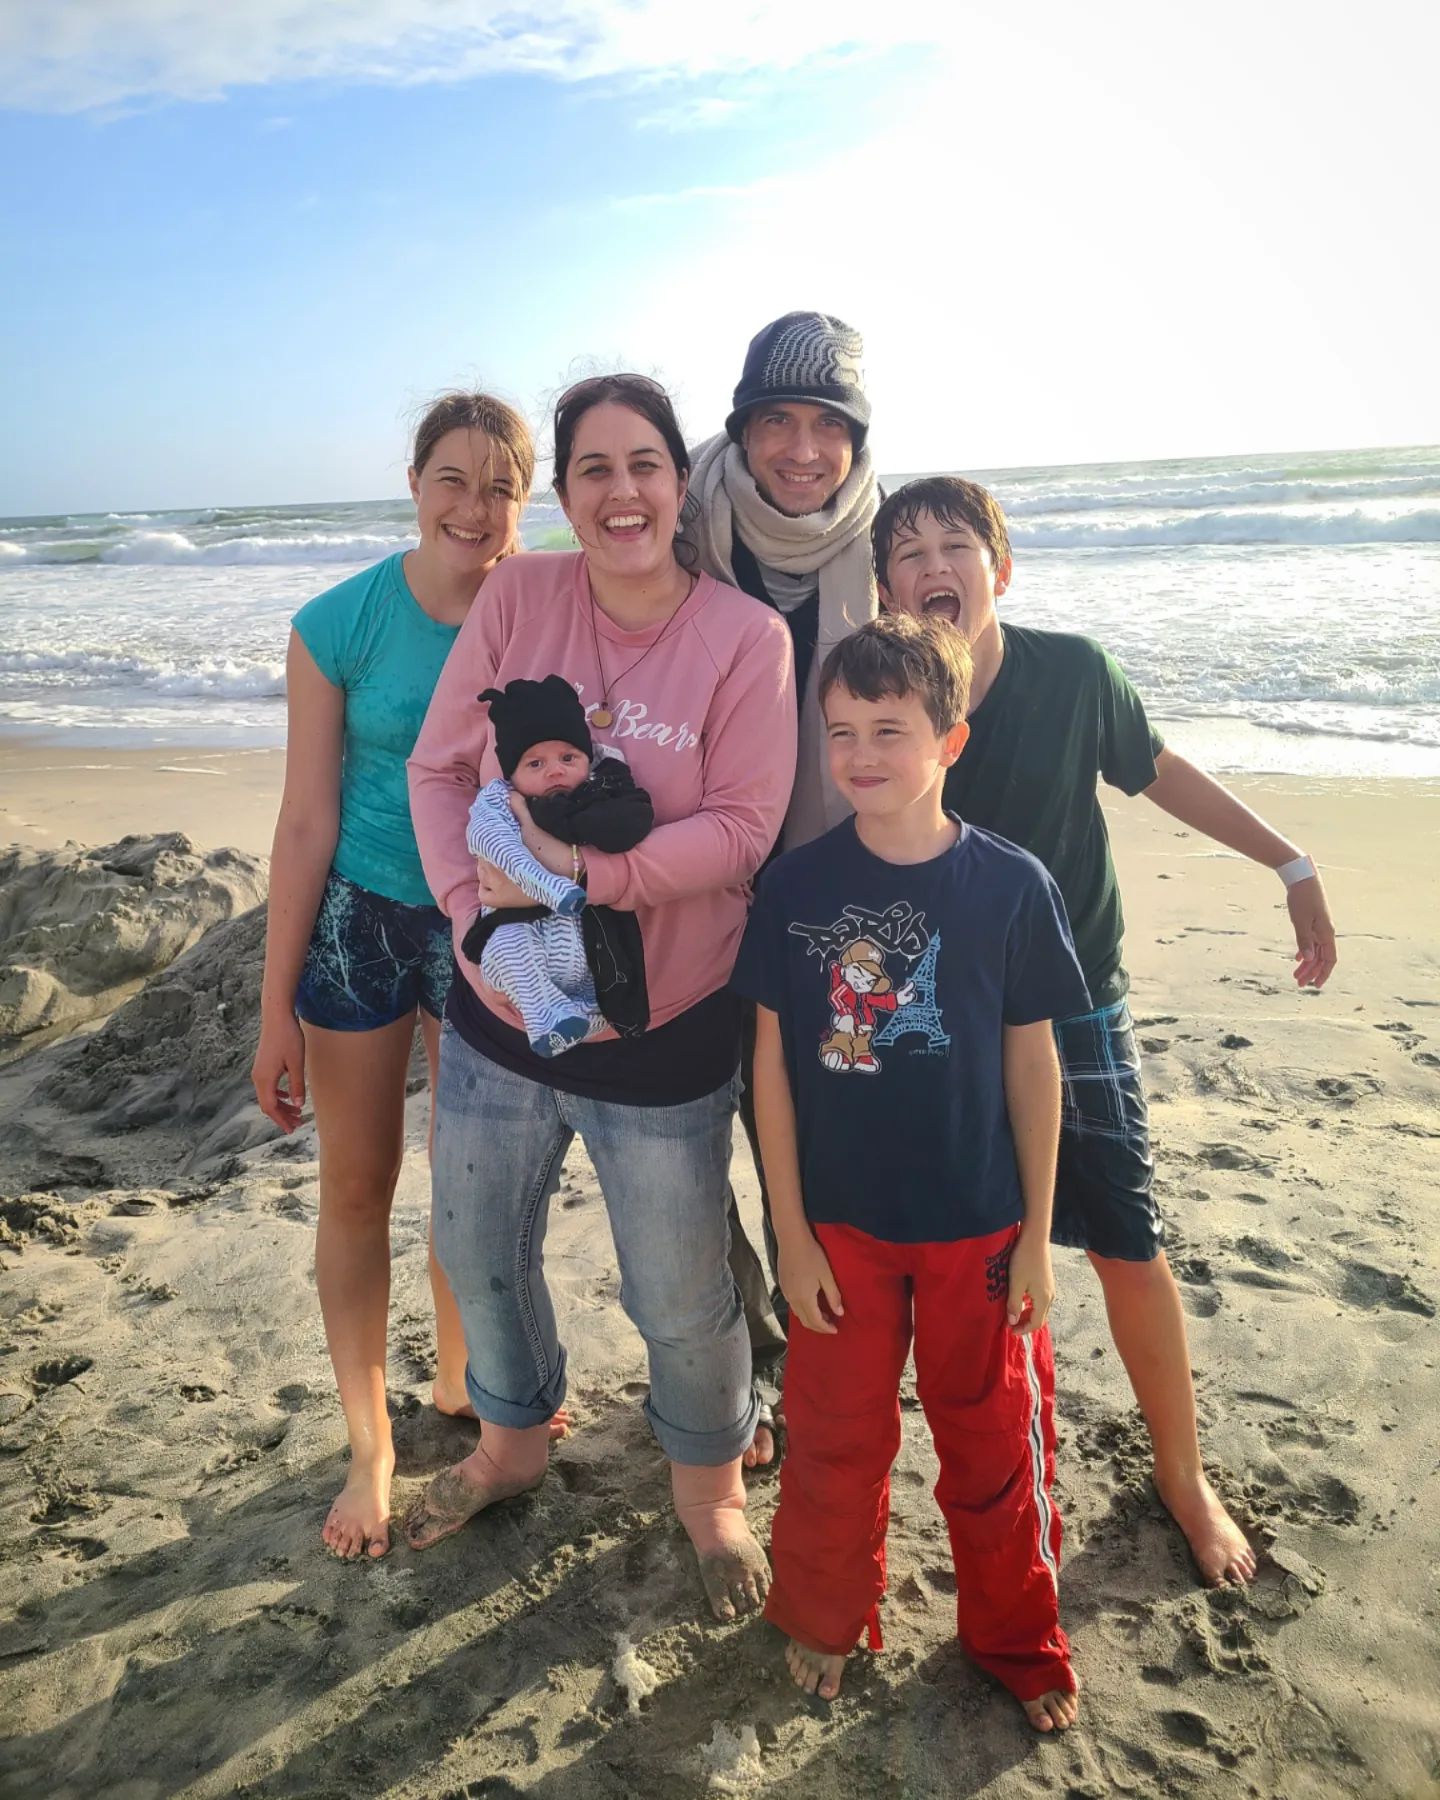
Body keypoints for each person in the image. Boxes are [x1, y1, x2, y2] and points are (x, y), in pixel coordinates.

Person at [874, 474, 1340, 1586]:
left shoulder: (1074, 673)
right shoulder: (882, 698)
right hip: (937, 1020)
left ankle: (1183, 1474)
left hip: (1074, 1005)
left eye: (955, 545)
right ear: (882, 586)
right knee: (976, 1257)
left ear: (1003, 565)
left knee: (1128, 1241)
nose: (934, 567)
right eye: (907, 551)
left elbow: (1159, 770)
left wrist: (1291, 859)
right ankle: (996, 1473)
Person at [405, 373, 798, 1621]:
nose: (621, 492)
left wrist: (590, 873)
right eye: (593, 469)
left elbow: (742, 831)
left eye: (645, 465)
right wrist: (472, 922)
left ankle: (710, 1488)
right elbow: (433, 767)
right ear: (565, 492)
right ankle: (515, 1441)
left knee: (679, 1286)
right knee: (475, 1244)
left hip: (666, 1024)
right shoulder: (520, 597)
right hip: (500, 1012)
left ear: (682, 485)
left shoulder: (745, 637)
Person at [732, 615, 1087, 1729]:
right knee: (835, 1441)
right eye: (840, 732)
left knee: (994, 1444)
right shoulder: (793, 891)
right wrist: (787, 1231)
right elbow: (771, 1076)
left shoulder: (1012, 886)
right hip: (839, 1230)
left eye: (890, 729)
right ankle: (827, 1616)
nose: (860, 755)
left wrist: (1035, 1231)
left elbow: (1035, 1065)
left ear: (952, 740)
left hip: (980, 1224)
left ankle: (1017, 1638)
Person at [250, 391, 538, 1561]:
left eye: (503, 486)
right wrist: (275, 1006)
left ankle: (465, 1382)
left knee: (470, 1182)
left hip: (491, 919)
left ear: (530, 501)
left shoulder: (548, 604)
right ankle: (371, 1442)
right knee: (359, 1187)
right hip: (362, 919)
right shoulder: (337, 625)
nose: (475, 509)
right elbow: (305, 820)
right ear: (414, 484)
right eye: (454, 480)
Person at [684, 310, 880, 1403]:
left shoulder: (889, 546)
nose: (802, 450)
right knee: (686, 1151)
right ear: (743, 430)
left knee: (811, 1137)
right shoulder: (679, 531)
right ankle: (744, 1345)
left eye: (827, 425)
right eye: (776, 422)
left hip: (832, 901)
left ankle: (823, 1351)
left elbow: (958, 674)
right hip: (691, 891)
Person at [461, 673, 654, 1055]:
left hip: (589, 941)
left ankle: (584, 1016)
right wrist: (547, 885)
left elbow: (627, 827)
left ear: (588, 757)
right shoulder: (500, 802)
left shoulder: (603, 791)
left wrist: (548, 835)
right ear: (511, 774)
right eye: (535, 763)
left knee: (599, 983)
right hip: (517, 934)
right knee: (507, 945)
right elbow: (497, 848)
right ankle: (544, 1013)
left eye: (568, 758)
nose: (555, 770)